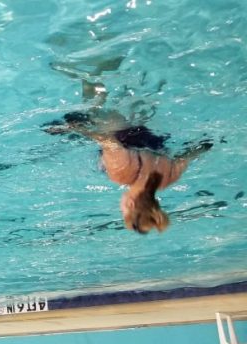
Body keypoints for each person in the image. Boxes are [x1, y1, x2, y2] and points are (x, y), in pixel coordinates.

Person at [45, 79, 212, 234]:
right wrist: (73, 128)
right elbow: (108, 141)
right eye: (123, 211)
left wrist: (207, 145)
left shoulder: (169, 177)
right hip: (119, 131)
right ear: (130, 205)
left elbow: (193, 152)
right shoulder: (121, 174)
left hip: (149, 136)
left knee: (136, 96)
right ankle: (91, 70)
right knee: (93, 104)